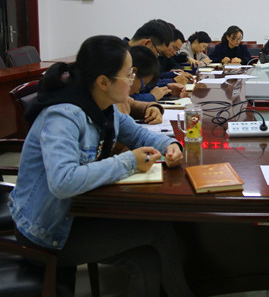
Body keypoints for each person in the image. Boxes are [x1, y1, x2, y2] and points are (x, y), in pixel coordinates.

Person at [9, 35, 194, 297]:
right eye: (128, 74)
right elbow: (63, 182)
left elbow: (139, 135)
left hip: (78, 211)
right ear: (104, 82)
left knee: (147, 256)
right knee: (159, 231)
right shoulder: (64, 116)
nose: (133, 80)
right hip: (47, 231)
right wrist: (129, 162)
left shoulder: (104, 107)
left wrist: (171, 146)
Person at [115, 45, 163, 124]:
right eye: (128, 75)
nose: (138, 91)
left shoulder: (118, 97)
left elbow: (131, 103)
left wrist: (152, 107)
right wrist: (152, 97)